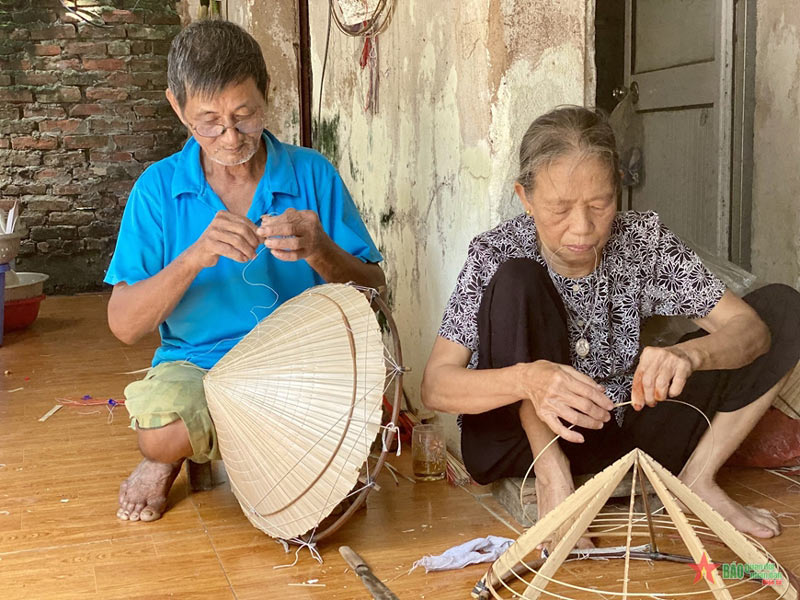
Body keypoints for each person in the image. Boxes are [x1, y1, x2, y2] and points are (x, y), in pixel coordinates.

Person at [421, 106, 800, 547]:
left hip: (616, 430)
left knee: (782, 308)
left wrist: (690, 354)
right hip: (517, 447)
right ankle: (553, 479)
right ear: (525, 198)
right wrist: (528, 381)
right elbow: (436, 385)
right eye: (560, 209)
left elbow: (749, 331)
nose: (582, 229)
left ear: (618, 186)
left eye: (599, 204)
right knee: (517, 279)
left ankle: (698, 479)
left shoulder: (643, 241)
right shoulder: (496, 252)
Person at [105, 20, 385, 523]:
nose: (230, 137)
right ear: (177, 107)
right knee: (162, 431)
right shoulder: (157, 188)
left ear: (267, 96)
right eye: (207, 121)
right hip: (201, 366)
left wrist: (319, 248)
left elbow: (373, 290)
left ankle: (256, 448)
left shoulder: (311, 173)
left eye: (245, 115)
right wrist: (192, 258)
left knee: (335, 507)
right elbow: (125, 325)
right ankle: (167, 459)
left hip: (298, 363)